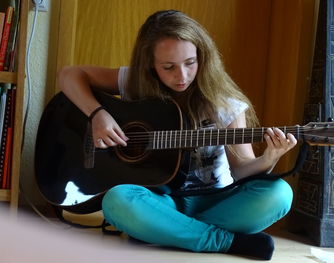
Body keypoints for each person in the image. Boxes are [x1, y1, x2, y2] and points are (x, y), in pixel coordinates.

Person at [58, 10, 297, 260]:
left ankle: (164, 229)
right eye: (168, 67)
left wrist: (269, 159)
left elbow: (241, 170)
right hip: (160, 199)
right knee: (117, 200)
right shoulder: (134, 82)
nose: (181, 75)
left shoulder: (225, 104)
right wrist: (97, 113)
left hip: (215, 202)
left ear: (202, 57)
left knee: (280, 194)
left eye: (190, 63)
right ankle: (220, 240)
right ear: (150, 64)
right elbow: (69, 75)